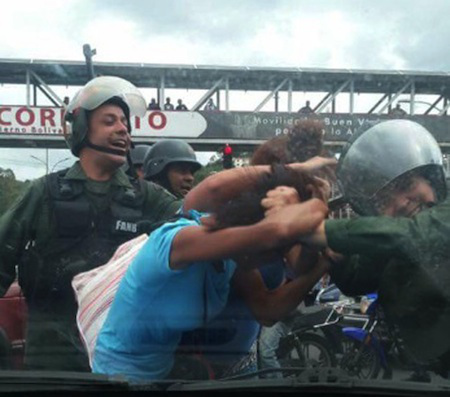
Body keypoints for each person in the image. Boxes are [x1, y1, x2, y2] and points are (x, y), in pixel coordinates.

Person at [0, 76, 183, 371]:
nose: (123, 128)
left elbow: (193, 222)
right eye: (109, 121)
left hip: (124, 366)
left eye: (124, 122)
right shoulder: (43, 193)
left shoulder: (147, 197)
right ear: (81, 129)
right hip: (53, 368)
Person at [92, 165, 330, 381]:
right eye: (268, 253)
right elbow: (274, 231)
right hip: (117, 376)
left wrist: (326, 260)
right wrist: (316, 200)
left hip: (165, 374)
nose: (269, 260)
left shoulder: (231, 260)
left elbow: (267, 310)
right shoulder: (177, 240)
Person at [284, 120, 450, 374]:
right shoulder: (391, 243)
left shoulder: (434, 222)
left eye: (407, 186)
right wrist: (335, 252)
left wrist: (324, 232)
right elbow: (356, 279)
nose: (402, 203)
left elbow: (414, 235)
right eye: (385, 199)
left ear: (431, 177)